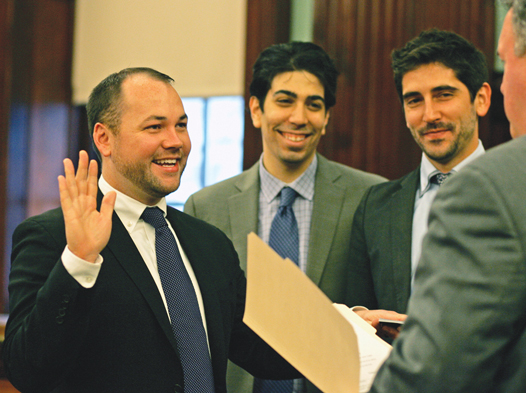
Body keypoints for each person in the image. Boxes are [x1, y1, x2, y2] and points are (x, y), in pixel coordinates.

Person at [2, 67, 298, 393]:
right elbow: (27, 370)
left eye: (181, 125)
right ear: (104, 138)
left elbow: (259, 347)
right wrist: (79, 260)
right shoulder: (52, 238)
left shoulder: (209, 243)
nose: (175, 141)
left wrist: (352, 330)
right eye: (155, 127)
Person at [370, 0, 526, 391]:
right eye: (414, 100)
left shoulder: (492, 186)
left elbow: (429, 377)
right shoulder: (377, 205)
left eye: (505, 63)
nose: (505, 83)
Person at [184, 42, 386, 393]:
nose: (298, 117)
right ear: (256, 110)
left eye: (314, 104)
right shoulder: (207, 207)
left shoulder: (369, 197)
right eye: (284, 100)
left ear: (326, 120)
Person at [344, 29, 491, 327]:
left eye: (444, 95)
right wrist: (360, 319)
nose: (429, 114)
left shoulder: (524, 193)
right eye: (414, 101)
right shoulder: (376, 207)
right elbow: (354, 307)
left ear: (481, 99)